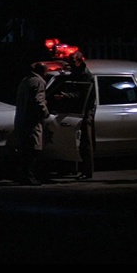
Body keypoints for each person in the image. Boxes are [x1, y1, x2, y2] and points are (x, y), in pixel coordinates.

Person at [54, 51, 96, 180]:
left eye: (72, 61)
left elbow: (83, 94)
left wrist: (66, 96)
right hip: (76, 109)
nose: (71, 63)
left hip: (85, 110)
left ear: (79, 61)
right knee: (72, 140)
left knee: (85, 142)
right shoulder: (76, 71)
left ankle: (87, 171)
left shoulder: (84, 74)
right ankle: (73, 168)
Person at [12, 62, 50, 186]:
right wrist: (45, 112)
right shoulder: (39, 82)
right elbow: (38, 100)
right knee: (34, 148)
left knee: (24, 149)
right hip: (32, 120)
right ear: (42, 71)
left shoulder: (25, 80)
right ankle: (29, 176)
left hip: (22, 118)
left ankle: (22, 175)